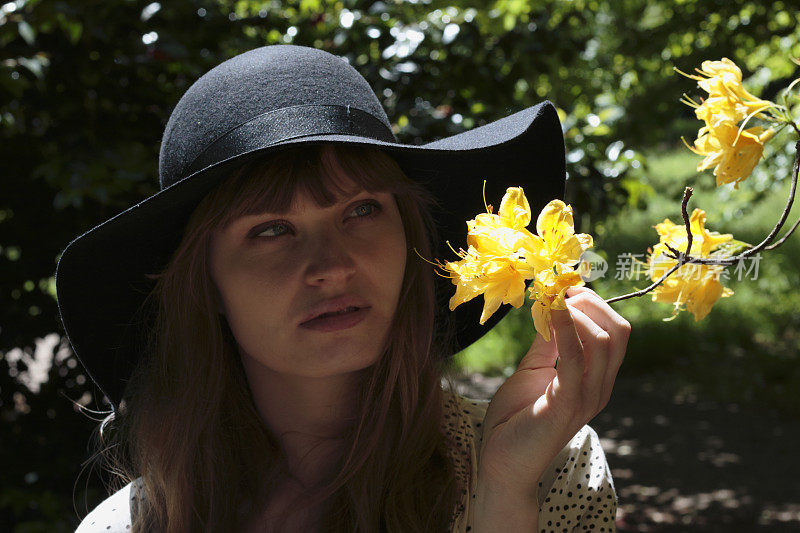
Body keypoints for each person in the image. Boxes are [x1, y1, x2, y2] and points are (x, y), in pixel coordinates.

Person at [57, 44, 629, 532]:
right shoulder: (125, 527)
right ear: (203, 286)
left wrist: (503, 494)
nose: (331, 266)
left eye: (361, 209)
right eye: (272, 229)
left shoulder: (551, 466)